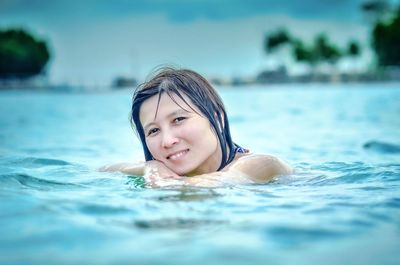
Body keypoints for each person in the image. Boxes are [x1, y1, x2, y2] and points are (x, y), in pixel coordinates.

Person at [101, 67, 292, 187]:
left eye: (178, 119)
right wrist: (149, 166)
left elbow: (215, 182)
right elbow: (105, 169)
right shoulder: (163, 169)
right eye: (153, 130)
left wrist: (158, 177)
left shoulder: (260, 164)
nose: (167, 141)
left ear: (217, 118)